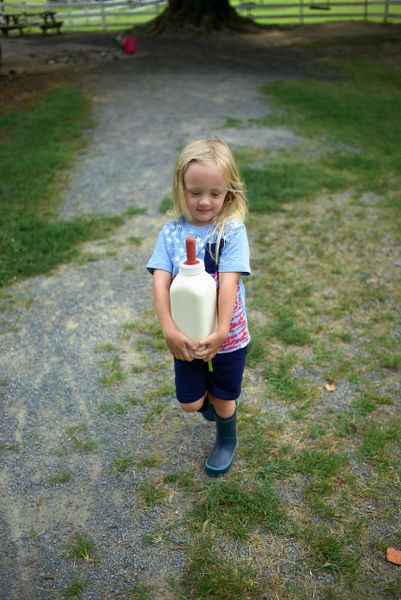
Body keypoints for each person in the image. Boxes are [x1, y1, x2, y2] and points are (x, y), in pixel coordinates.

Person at [147, 137, 251, 476]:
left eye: (215, 193)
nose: (205, 202)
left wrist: (221, 332)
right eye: (195, 193)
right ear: (181, 187)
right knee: (190, 402)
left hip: (227, 335)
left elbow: (228, 283)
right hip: (186, 335)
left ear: (229, 193)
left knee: (223, 397)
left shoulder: (231, 231)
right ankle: (213, 406)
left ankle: (226, 438)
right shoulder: (171, 233)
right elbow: (161, 280)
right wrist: (169, 329)